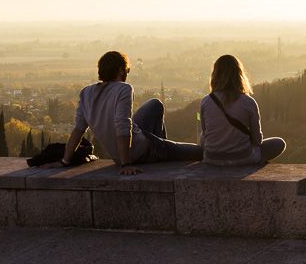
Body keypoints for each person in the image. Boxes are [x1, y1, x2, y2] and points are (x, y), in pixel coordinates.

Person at [61, 51, 202, 175]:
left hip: (124, 151)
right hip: (138, 150)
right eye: (127, 71)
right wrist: (126, 164)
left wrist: (65, 161)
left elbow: (78, 129)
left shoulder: (86, 93)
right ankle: (160, 153)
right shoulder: (123, 89)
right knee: (199, 152)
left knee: (155, 104)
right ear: (121, 71)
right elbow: (122, 126)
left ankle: (160, 147)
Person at [199, 54, 285, 167]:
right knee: (278, 143)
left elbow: (205, 135)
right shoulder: (248, 102)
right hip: (244, 158)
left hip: (212, 159)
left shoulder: (205, 101)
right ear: (239, 74)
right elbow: (257, 140)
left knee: (202, 135)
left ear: (215, 74)